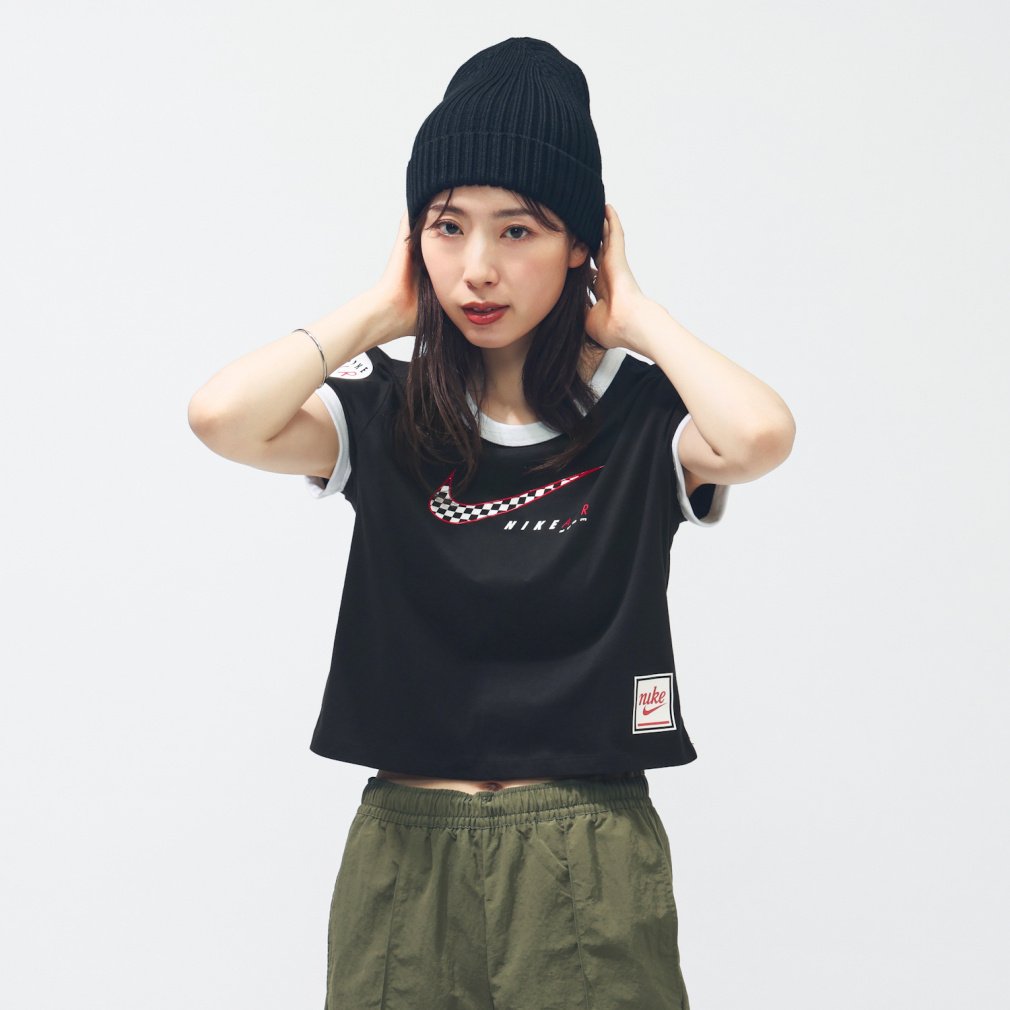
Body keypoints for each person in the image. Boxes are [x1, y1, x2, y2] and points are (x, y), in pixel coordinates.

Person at [189, 36, 795, 1010]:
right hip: (405, 849)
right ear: (413, 239)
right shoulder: (386, 413)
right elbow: (222, 417)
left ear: (580, 243)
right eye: (448, 226)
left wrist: (636, 318)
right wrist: (374, 313)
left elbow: (759, 435)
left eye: (518, 230)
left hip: (586, 849)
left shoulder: (641, 417)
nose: (477, 269)